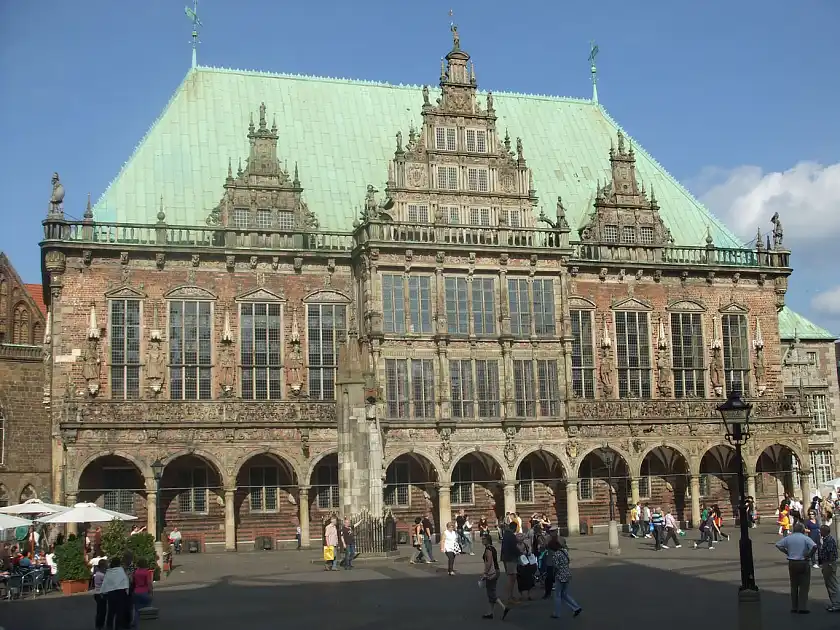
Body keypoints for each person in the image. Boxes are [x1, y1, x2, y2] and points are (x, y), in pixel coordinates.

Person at [776, 521, 817, 614]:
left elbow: (778, 545)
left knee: (794, 585)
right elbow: (814, 546)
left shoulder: (789, 538)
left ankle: (794, 607)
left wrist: (786, 552)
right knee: (804, 585)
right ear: (803, 530)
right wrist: (809, 555)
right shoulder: (805, 538)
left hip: (792, 562)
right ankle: (802, 607)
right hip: (803, 561)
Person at [479, 533, 510, 620]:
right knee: (491, 591)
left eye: (483, 539)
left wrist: (485, 573)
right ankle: (490, 612)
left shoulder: (488, 549)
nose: (482, 540)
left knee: (491, 593)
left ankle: (504, 608)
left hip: (492, 573)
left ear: (487, 540)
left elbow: (489, 562)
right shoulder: (492, 548)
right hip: (496, 571)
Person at [551, 536, 582, 619]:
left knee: (557, 595)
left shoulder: (555, 554)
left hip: (560, 575)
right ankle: (576, 607)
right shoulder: (564, 551)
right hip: (567, 573)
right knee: (564, 594)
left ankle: (557, 613)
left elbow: (555, 566)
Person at [101, 556, 130, 630]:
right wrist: (127, 590)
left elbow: (105, 582)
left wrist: (103, 592)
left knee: (111, 611)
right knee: (119, 611)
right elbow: (125, 580)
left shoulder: (109, 572)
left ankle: (109, 626)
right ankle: (118, 626)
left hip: (111, 593)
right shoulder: (121, 570)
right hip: (121, 592)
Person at [818, 524, 840, 612]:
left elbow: (830, 553)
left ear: (824, 532)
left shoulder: (829, 540)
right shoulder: (826, 539)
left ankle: (837, 603)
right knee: (830, 584)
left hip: (829, 564)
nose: (820, 532)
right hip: (827, 563)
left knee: (832, 584)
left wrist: (829, 564)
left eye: (821, 531)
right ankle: (835, 602)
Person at [500, 522, 520, 603]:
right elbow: (513, 548)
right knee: (512, 578)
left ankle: (510, 596)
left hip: (506, 557)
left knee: (511, 577)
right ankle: (509, 597)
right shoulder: (511, 536)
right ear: (515, 528)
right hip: (510, 558)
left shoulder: (506, 534)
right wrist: (520, 553)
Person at [132, 557, 154, 624]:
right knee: (147, 610)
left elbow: (133, 582)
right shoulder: (146, 572)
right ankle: (146, 624)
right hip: (144, 592)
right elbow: (149, 583)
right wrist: (151, 592)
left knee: (137, 610)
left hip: (136, 592)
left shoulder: (136, 572)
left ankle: (136, 624)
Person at [93, 558, 108, 630]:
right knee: (101, 611)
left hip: (99, 593)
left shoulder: (99, 573)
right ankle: (99, 625)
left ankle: (100, 624)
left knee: (102, 610)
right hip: (100, 594)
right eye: (105, 566)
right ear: (102, 566)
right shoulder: (100, 575)